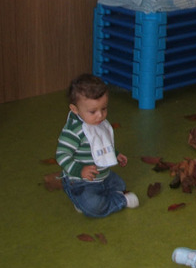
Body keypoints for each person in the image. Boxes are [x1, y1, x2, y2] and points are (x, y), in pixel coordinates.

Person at [55, 73, 139, 217]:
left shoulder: (98, 122)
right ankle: (120, 201)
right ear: (75, 109)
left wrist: (115, 153)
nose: (100, 116)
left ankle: (87, 201)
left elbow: (102, 142)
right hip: (81, 181)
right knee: (95, 208)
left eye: (104, 109)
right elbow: (61, 155)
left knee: (120, 185)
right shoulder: (74, 131)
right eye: (93, 111)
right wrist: (79, 170)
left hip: (103, 175)